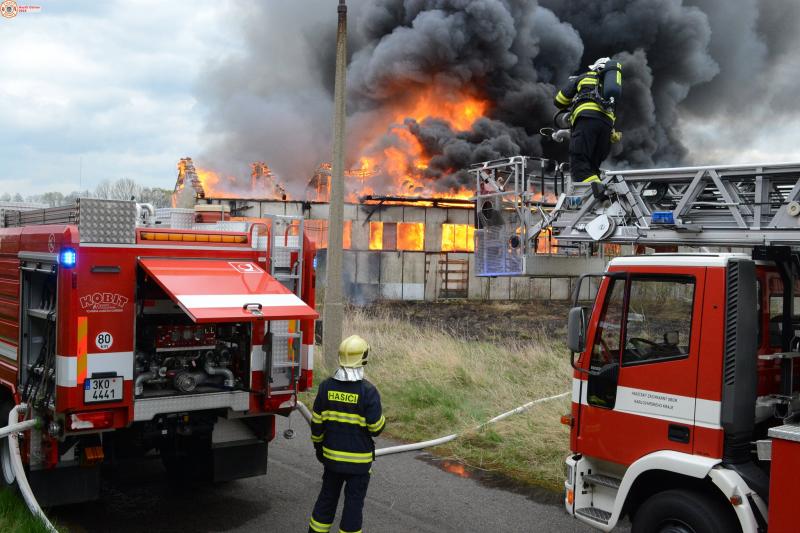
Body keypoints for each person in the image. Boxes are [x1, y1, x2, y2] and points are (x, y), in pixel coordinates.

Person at [308, 335, 385, 533]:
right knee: (353, 506)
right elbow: (376, 429)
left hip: (332, 460)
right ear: (363, 358)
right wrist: (382, 418)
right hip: (359, 464)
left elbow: (317, 424)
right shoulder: (368, 391)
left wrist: (318, 448)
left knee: (326, 500)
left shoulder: (326, 387)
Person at [553, 57, 623, 184]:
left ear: (595, 68)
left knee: (579, 167)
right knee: (592, 169)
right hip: (606, 129)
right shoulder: (610, 91)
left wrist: (575, 88)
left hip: (586, 121)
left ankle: (598, 195)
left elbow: (559, 101)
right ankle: (600, 193)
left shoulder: (584, 77)